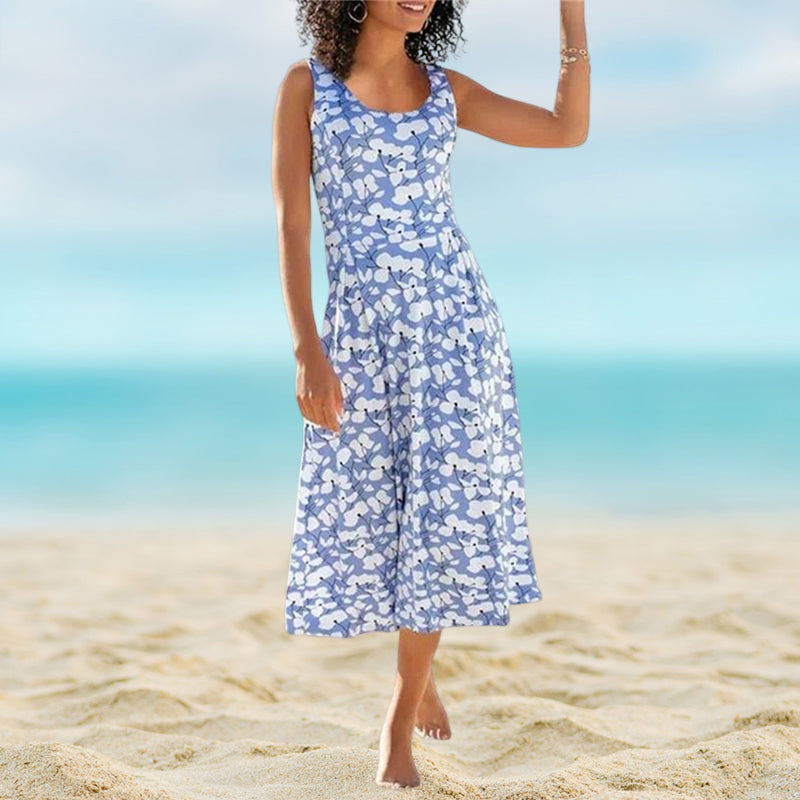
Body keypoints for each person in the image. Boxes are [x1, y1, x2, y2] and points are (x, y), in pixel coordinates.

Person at [271, 0, 590, 788]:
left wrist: (572, 14)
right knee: (378, 510)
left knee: (443, 518)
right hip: (361, 339)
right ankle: (423, 667)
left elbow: (564, 129)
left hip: (457, 331)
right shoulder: (306, 87)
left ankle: (397, 717)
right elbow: (292, 224)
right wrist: (308, 347)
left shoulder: (448, 91)